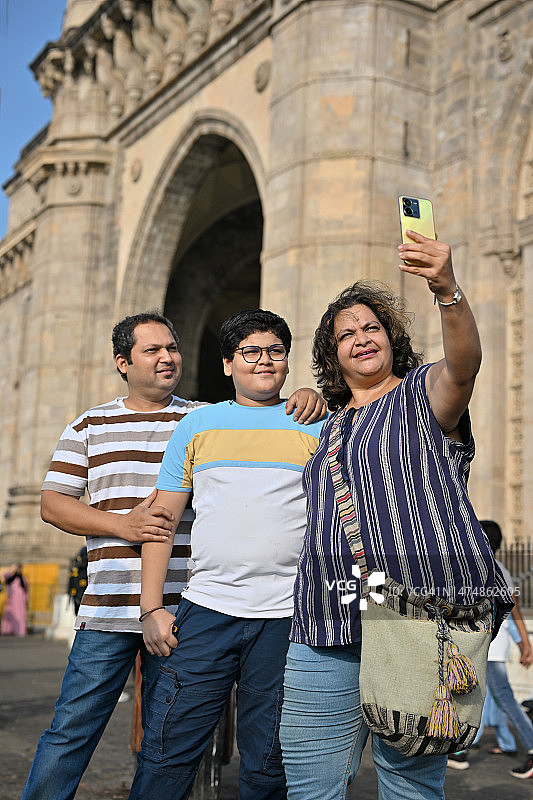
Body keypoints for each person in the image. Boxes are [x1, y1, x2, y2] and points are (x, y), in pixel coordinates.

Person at [21, 310, 324, 800]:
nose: (168, 358)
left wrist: (310, 396)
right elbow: (52, 504)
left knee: (171, 737)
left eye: (173, 348)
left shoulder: (203, 415)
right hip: (115, 604)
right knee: (75, 729)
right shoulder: (90, 424)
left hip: (188, 609)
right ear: (123, 362)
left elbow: (261, 409)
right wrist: (124, 527)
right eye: (152, 350)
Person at [279, 230, 515, 800]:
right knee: (311, 787)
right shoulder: (323, 424)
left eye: (371, 327)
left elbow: (464, 364)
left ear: (391, 338)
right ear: (332, 355)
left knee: (409, 787)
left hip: (414, 620)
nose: (361, 339)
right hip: (325, 618)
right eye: (346, 335)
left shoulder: (420, 395)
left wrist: (446, 288)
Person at [128, 309, 325, 800]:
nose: (264, 361)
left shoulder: (317, 426)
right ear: (227, 364)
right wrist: (151, 608)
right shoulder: (197, 426)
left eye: (276, 352)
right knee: (166, 755)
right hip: (206, 614)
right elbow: (162, 522)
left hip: (287, 621)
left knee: (268, 765)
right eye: (251, 352)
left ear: (287, 361)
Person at [455, 519, 533, 780]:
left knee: (498, 698)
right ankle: (461, 751)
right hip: (494, 646)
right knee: (480, 696)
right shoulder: (502, 569)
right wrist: (525, 643)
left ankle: (530, 749)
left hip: (485, 646)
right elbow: (515, 608)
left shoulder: (479, 568)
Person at [0, 563, 28, 636]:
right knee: (9, 614)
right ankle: (7, 630)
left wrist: (26, 600)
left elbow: (26, 590)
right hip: (11, 600)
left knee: (20, 616)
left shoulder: (24, 578)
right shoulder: (10, 577)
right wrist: (11, 569)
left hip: (20, 602)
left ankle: (19, 631)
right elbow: (4, 576)